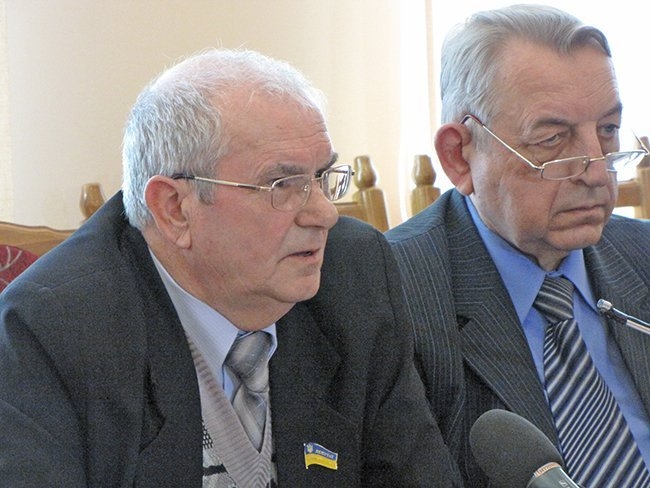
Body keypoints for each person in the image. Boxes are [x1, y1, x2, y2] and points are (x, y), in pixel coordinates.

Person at [0, 48, 457, 487]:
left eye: (321, 178)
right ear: (174, 209)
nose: (324, 214)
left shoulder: (354, 274)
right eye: (283, 184)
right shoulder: (50, 330)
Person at [386, 4, 650, 487]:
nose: (597, 173)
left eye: (607, 130)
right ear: (459, 155)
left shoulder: (643, 256)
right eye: (552, 140)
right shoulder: (392, 296)